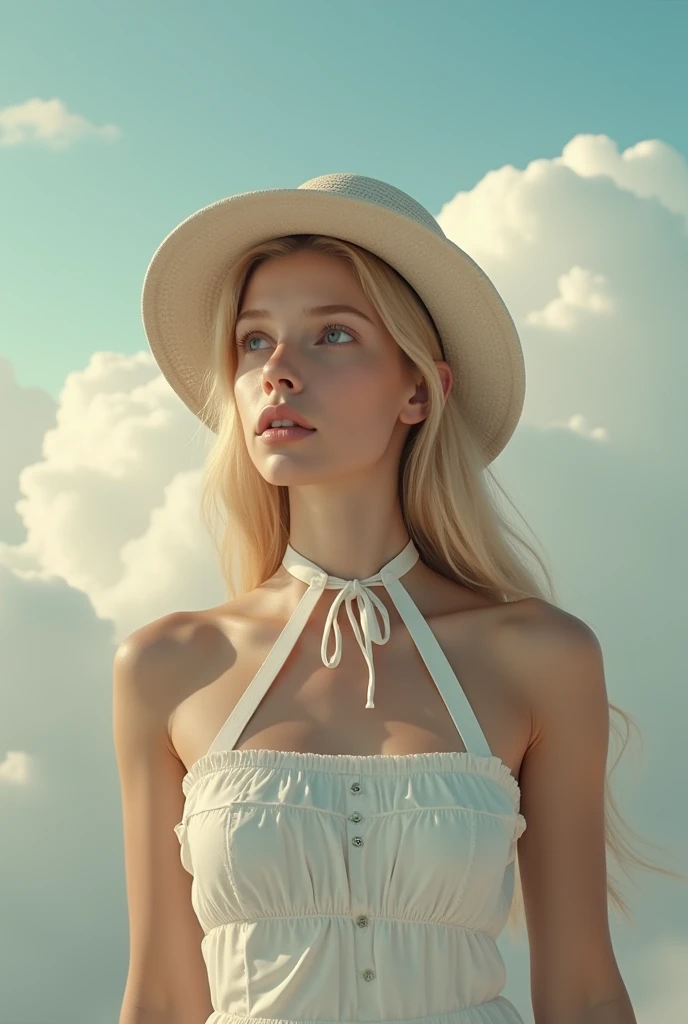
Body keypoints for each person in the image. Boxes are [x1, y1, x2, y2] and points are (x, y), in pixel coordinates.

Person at [114, 174, 651, 1024]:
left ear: (418, 391)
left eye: (331, 333)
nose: (279, 372)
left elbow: (583, 993)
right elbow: (161, 999)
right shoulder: (168, 665)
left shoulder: (541, 655)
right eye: (255, 342)